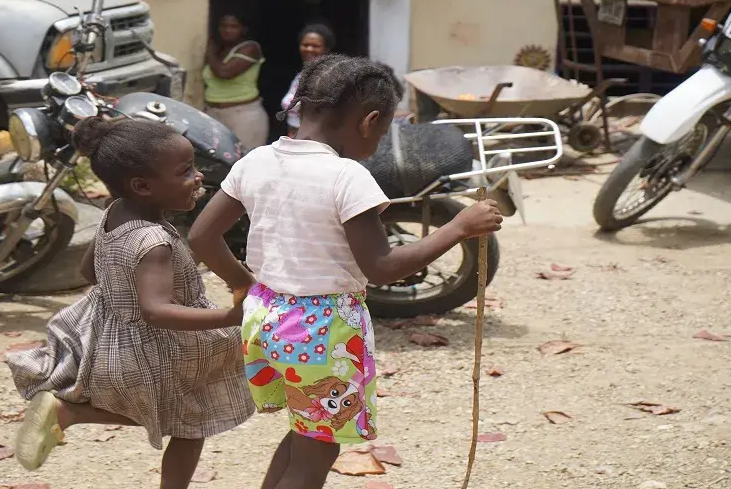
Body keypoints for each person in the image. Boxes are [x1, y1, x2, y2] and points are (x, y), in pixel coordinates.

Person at [188, 54, 503, 489]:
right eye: (385, 128)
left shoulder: (256, 161)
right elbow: (383, 268)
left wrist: (243, 282)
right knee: (318, 449)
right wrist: (457, 228)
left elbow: (202, 238)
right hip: (323, 331)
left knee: (307, 430)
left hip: (263, 319)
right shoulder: (346, 177)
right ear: (369, 121)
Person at [5, 115, 253, 489]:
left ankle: (68, 411)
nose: (198, 177)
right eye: (185, 171)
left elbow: (90, 271)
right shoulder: (154, 242)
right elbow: (156, 311)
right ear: (143, 186)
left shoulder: (114, 213)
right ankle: (69, 412)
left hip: (113, 339)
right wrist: (231, 316)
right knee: (192, 419)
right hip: (161, 350)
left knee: (177, 415)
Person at [203, 13, 269, 151]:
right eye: (224, 26)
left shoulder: (251, 48)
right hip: (213, 113)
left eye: (233, 26)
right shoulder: (219, 50)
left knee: (244, 162)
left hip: (243, 115)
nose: (227, 30)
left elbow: (224, 72)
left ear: (243, 29)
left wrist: (209, 51)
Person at [280, 23, 335, 137]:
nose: (309, 49)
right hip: (295, 135)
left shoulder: (327, 76)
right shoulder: (302, 75)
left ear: (326, 49)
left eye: (315, 46)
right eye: (305, 44)